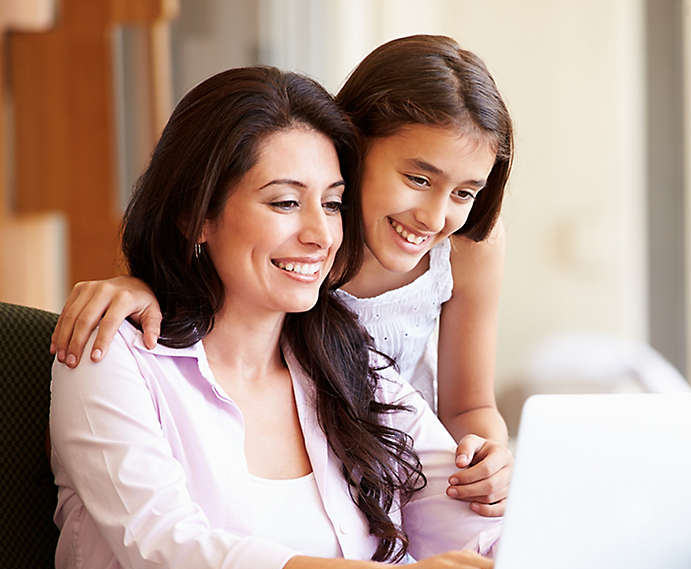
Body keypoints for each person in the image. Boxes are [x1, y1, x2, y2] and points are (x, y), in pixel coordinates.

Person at [45, 66, 501, 569]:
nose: (319, 234)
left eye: (334, 203)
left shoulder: (352, 366)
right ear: (197, 216)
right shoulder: (114, 360)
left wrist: (501, 496)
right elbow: (177, 562)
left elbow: (472, 537)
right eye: (285, 202)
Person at [49, 35, 514, 516]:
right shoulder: (302, 247)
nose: (435, 217)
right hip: (304, 464)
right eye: (418, 179)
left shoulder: (464, 246)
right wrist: (140, 286)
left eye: (464, 193)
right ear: (352, 146)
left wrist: (488, 456)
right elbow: (215, 285)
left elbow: (468, 406)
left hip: (403, 466)